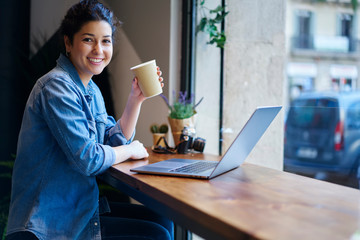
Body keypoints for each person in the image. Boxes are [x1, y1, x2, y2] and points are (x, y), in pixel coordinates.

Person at [6, 0, 173, 239]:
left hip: (77, 212)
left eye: (106, 41)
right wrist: (131, 149)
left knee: (161, 220)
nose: (98, 50)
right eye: (88, 39)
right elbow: (89, 159)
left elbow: (111, 141)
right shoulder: (56, 86)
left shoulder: (90, 89)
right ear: (68, 43)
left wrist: (136, 99)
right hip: (46, 223)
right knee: (155, 235)